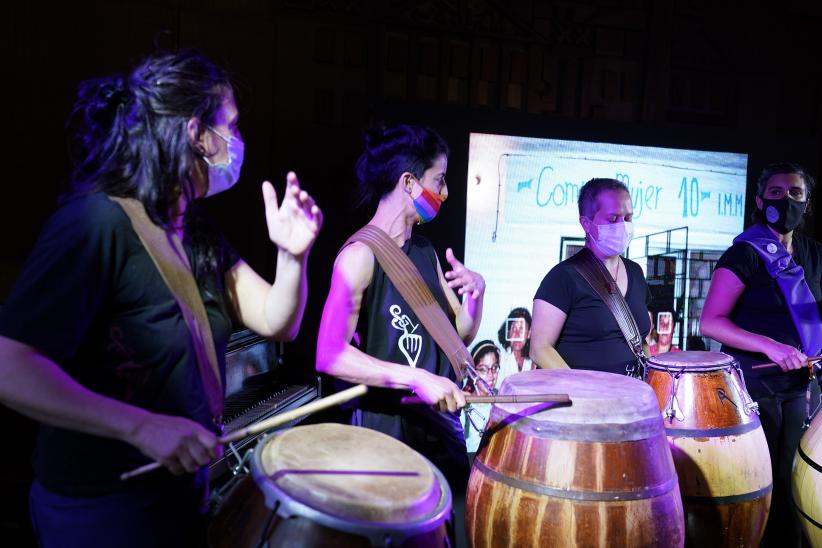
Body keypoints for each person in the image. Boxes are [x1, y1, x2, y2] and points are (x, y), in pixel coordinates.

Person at [0, 50, 321, 547]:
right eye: (230, 127)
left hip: (176, 498)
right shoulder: (95, 223)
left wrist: (292, 257)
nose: (236, 142)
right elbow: (10, 366)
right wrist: (141, 427)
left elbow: (277, 320)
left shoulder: (194, 229)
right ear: (196, 134)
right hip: (100, 509)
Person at [315, 124, 485, 529]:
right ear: (409, 182)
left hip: (439, 427)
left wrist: (477, 295)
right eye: (438, 180)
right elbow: (329, 353)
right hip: (387, 433)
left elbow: (458, 336)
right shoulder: (359, 256)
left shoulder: (425, 252)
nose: (444, 193)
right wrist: (414, 377)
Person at [701, 162, 822, 547]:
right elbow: (711, 322)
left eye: (795, 193)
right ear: (759, 200)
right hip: (756, 387)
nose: (785, 200)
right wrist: (771, 346)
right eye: (775, 193)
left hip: (805, 386)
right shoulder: (743, 254)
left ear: (807, 202)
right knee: (766, 484)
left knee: (802, 483)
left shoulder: (814, 254)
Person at [530, 178, 651, 373]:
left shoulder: (636, 272)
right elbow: (540, 349)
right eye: (613, 219)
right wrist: (582, 389)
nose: (622, 226)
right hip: (584, 399)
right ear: (586, 223)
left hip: (632, 397)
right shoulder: (563, 277)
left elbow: (641, 340)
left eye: (628, 219)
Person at [462, 340, 500, 454]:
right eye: (483, 369)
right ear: (473, 373)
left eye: (494, 367)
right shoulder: (464, 404)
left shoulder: (502, 400)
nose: (491, 375)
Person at [496, 307, 534, 382]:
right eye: (513, 328)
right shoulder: (499, 356)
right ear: (508, 332)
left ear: (529, 333)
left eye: (521, 329)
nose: (517, 334)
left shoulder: (533, 359)